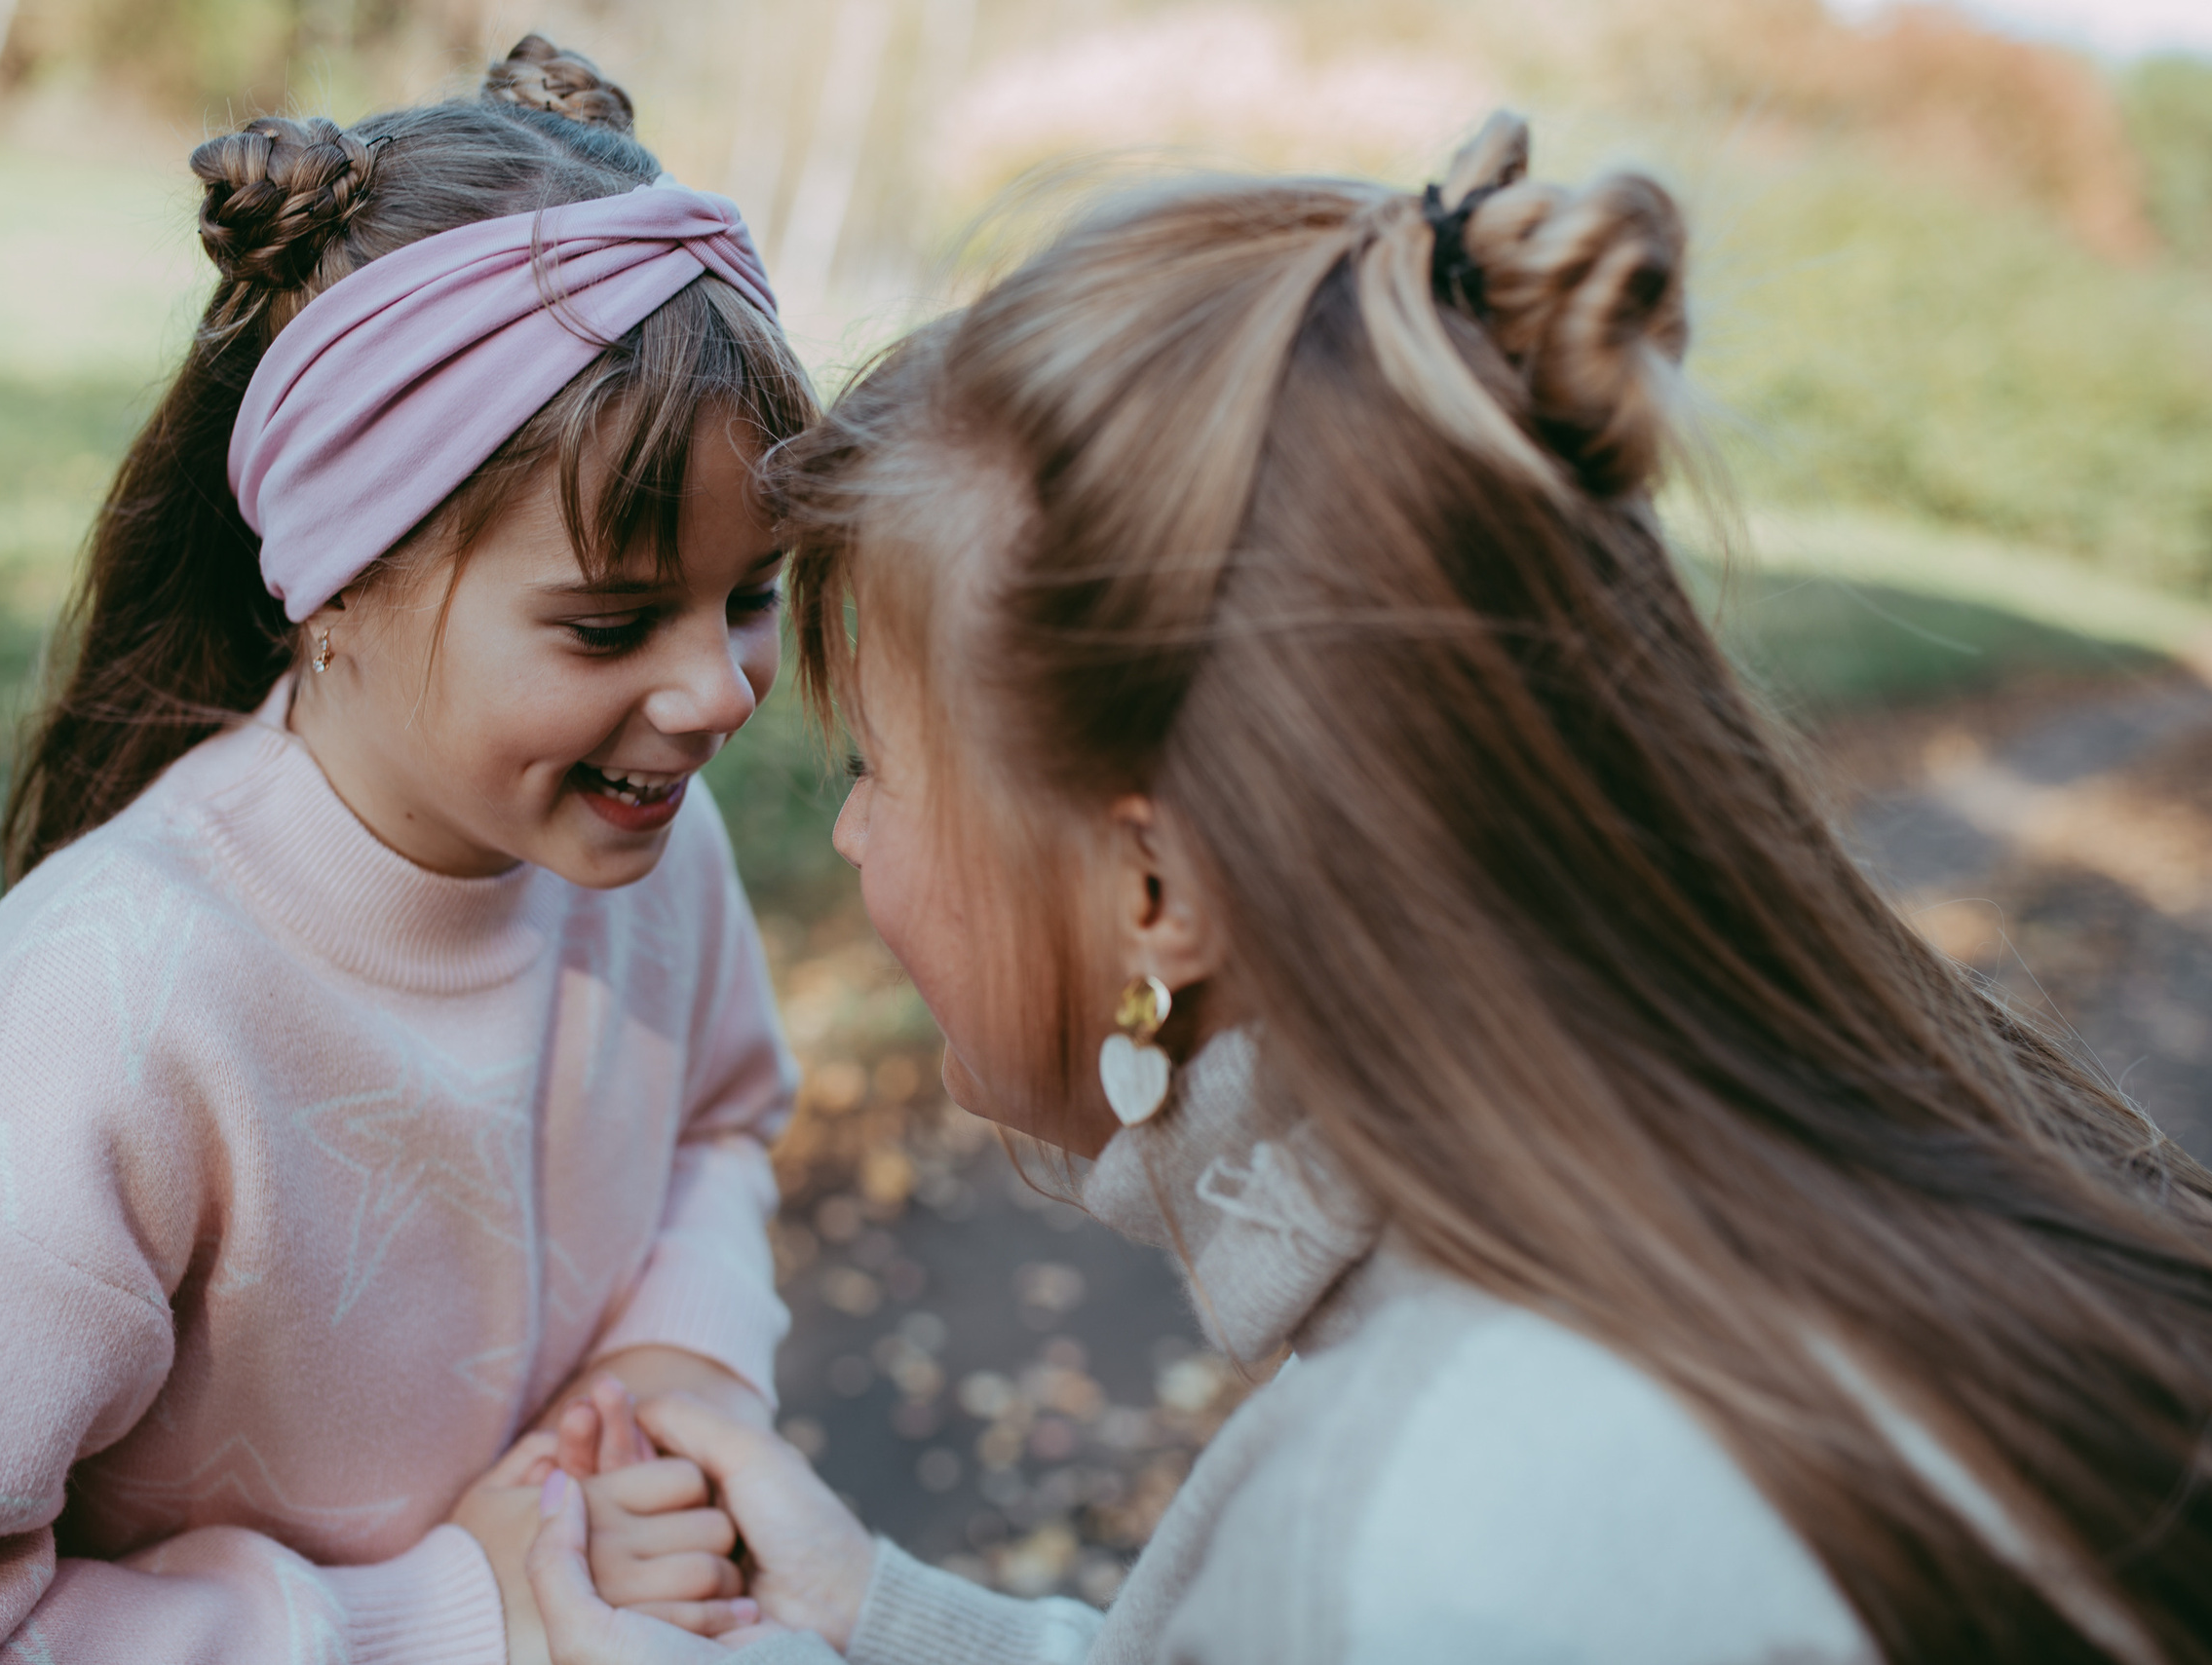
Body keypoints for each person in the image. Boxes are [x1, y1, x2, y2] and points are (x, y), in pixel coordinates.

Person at [522, 114, 2212, 1664]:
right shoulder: (1684, 1278)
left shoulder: (1456, 1544)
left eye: (875, 766)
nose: (852, 843)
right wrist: (866, 1616)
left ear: (1159, 882)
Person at [0, 37, 808, 1663]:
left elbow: (719, 1119)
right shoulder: (90, 1039)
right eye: (608, 621)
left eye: (751, 595)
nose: (717, 691)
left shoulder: (653, 846)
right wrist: (455, 1608)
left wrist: (679, 1369)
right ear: (335, 578)